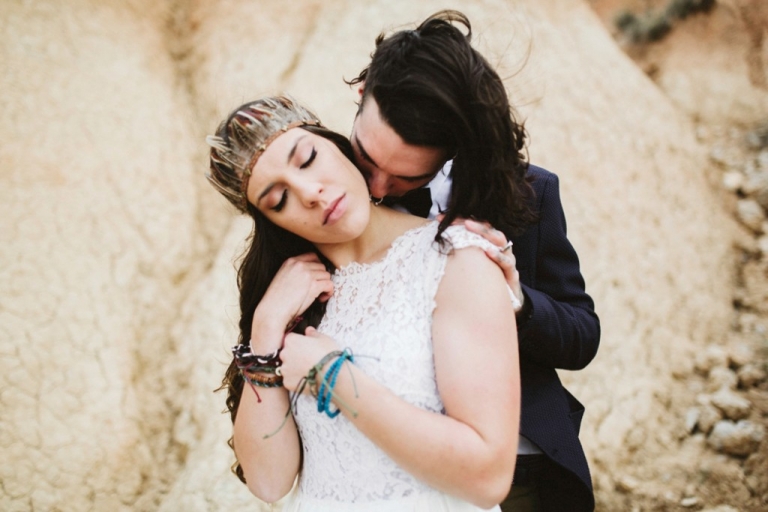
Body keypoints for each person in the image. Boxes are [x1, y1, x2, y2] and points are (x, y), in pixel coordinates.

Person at [205, 95, 522, 511]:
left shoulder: (453, 258)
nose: (311, 193)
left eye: (308, 159)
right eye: (278, 200)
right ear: (271, 222)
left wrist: (331, 377)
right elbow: (268, 482)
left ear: (336, 144)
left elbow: (487, 476)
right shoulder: (291, 302)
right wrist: (265, 330)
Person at [346, 10, 601, 512]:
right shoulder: (325, 193)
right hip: (382, 467)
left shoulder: (533, 194)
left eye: (404, 178)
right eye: (366, 158)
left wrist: (521, 303)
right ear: (360, 93)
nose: (375, 190)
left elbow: (582, 336)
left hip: (516, 468)